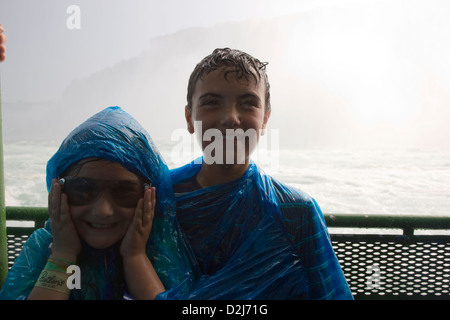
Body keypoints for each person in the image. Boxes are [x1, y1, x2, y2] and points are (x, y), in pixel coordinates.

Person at [168, 48, 353, 299]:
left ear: (264, 120)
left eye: (248, 104)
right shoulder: (161, 201)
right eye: (211, 102)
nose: (231, 118)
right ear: (189, 118)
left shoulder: (296, 213)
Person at [0, 106, 195, 299]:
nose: (103, 211)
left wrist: (135, 256)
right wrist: (62, 256)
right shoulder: (45, 248)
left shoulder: (160, 249)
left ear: (151, 196)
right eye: (82, 190)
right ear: (58, 193)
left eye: (124, 191)